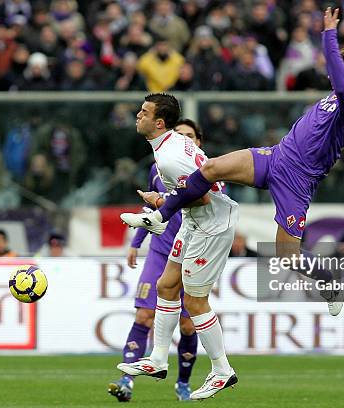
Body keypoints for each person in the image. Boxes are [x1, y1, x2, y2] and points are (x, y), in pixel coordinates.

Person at [120, 8, 344, 317]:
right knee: (210, 169)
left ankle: (329, 281)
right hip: (276, 156)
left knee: (287, 256)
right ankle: (162, 214)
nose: (329, 74)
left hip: (298, 179)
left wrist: (328, 34)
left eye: (336, 72)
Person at [118, 94, 238, 400]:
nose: (137, 115)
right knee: (166, 285)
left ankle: (222, 370)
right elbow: (191, 190)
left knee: (196, 304)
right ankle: (158, 360)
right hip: (193, 220)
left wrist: (160, 205)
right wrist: (162, 205)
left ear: (159, 122)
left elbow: (202, 197)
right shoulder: (170, 145)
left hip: (210, 226)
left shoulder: (170, 158)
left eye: (143, 112)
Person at [108, 119, 204, 402]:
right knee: (143, 315)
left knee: (188, 325)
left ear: (199, 142)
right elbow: (149, 206)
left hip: (192, 254)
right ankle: (126, 380)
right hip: (161, 252)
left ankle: (183, 384)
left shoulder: (209, 172)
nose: (185, 139)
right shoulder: (159, 167)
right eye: (180, 135)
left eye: (190, 136)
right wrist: (136, 243)